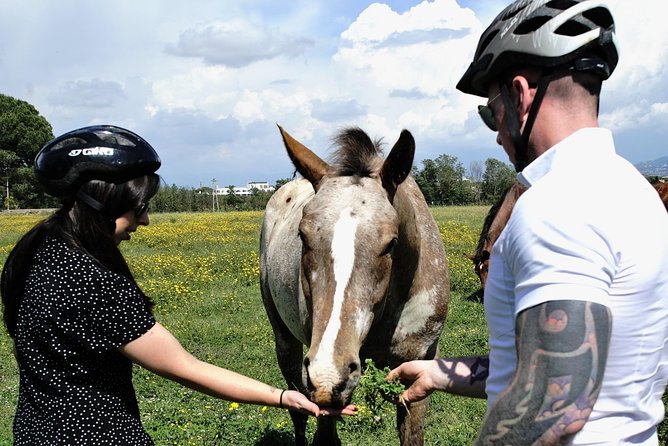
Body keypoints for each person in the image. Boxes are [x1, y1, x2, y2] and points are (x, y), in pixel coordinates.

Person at [388, 1, 668, 444]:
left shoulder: (557, 206)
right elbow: (569, 362)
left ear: (519, 94)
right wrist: (444, 372)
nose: (497, 133)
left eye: (490, 110)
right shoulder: (634, 191)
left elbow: (552, 405)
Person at [0, 125, 356, 445]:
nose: (146, 220)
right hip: (99, 432)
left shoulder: (35, 251)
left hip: (35, 429)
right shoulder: (94, 282)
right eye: (138, 207)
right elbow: (186, 368)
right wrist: (282, 396)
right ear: (103, 204)